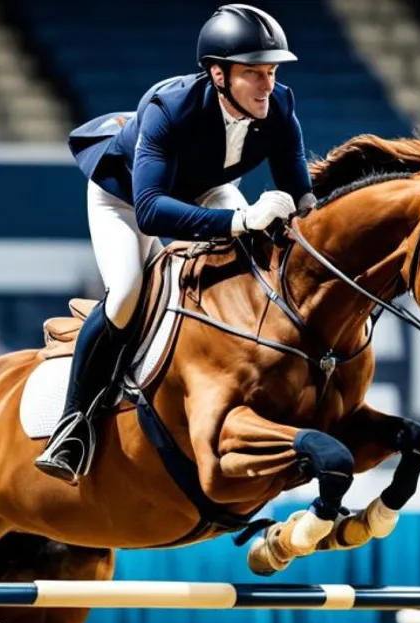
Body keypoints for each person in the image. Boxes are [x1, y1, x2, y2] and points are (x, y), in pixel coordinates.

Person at [35, 4, 317, 483]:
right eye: (253, 73)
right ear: (219, 75)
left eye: (270, 71)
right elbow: (151, 210)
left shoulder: (281, 106)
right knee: (127, 292)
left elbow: (302, 197)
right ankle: (73, 423)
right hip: (124, 197)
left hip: (205, 188)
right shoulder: (169, 108)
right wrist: (243, 218)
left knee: (249, 268)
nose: (267, 85)